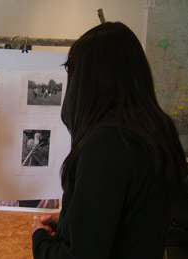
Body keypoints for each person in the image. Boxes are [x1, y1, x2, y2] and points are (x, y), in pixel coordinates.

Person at [30, 22, 187, 259]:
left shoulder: (107, 144)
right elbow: (130, 218)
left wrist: (39, 240)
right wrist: (69, 221)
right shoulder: (157, 131)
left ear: (88, 80)